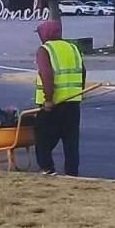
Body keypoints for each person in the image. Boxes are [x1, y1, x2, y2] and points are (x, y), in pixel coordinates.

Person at [34, 20, 86, 177]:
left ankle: (48, 169)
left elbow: (46, 74)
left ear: (45, 34)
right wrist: (79, 91)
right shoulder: (73, 48)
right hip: (73, 103)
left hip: (54, 105)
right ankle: (72, 174)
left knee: (42, 138)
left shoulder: (45, 50)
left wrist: (48, 99)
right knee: (71, 142)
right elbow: (82, 71)